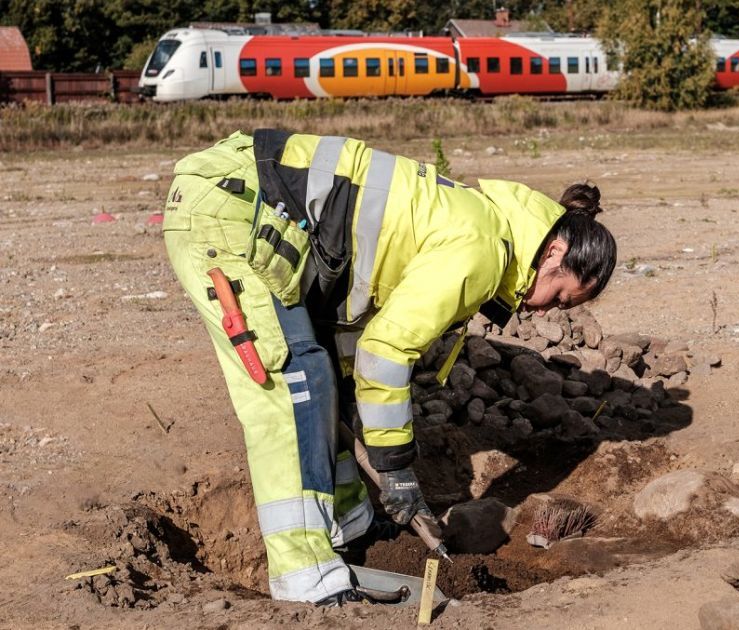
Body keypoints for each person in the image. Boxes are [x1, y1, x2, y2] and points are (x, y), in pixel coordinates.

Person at [161, 130, 617, 605]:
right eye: (560, 296)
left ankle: (351, 524)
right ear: (554, 252)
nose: (547, 311)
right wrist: (396, 470)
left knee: (328, 378)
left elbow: (362, 337)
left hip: (257, 210)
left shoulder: (488, 228)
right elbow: (385, 352)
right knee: (295, 382)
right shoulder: (482, 248)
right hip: (229, 209)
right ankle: (304, 576)